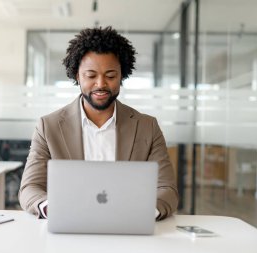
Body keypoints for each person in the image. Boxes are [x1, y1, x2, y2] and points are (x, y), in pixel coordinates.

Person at [18, 26, 178, 220]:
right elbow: (30, 188)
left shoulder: (147, 127)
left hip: (128, 229)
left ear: (122, 76)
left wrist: (143, 212)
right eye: (91, 75)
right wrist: (53, 207)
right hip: (70, 229)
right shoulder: (48, 127)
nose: (101, 84)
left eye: (110, 76)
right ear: (77, 75)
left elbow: (167, 190)